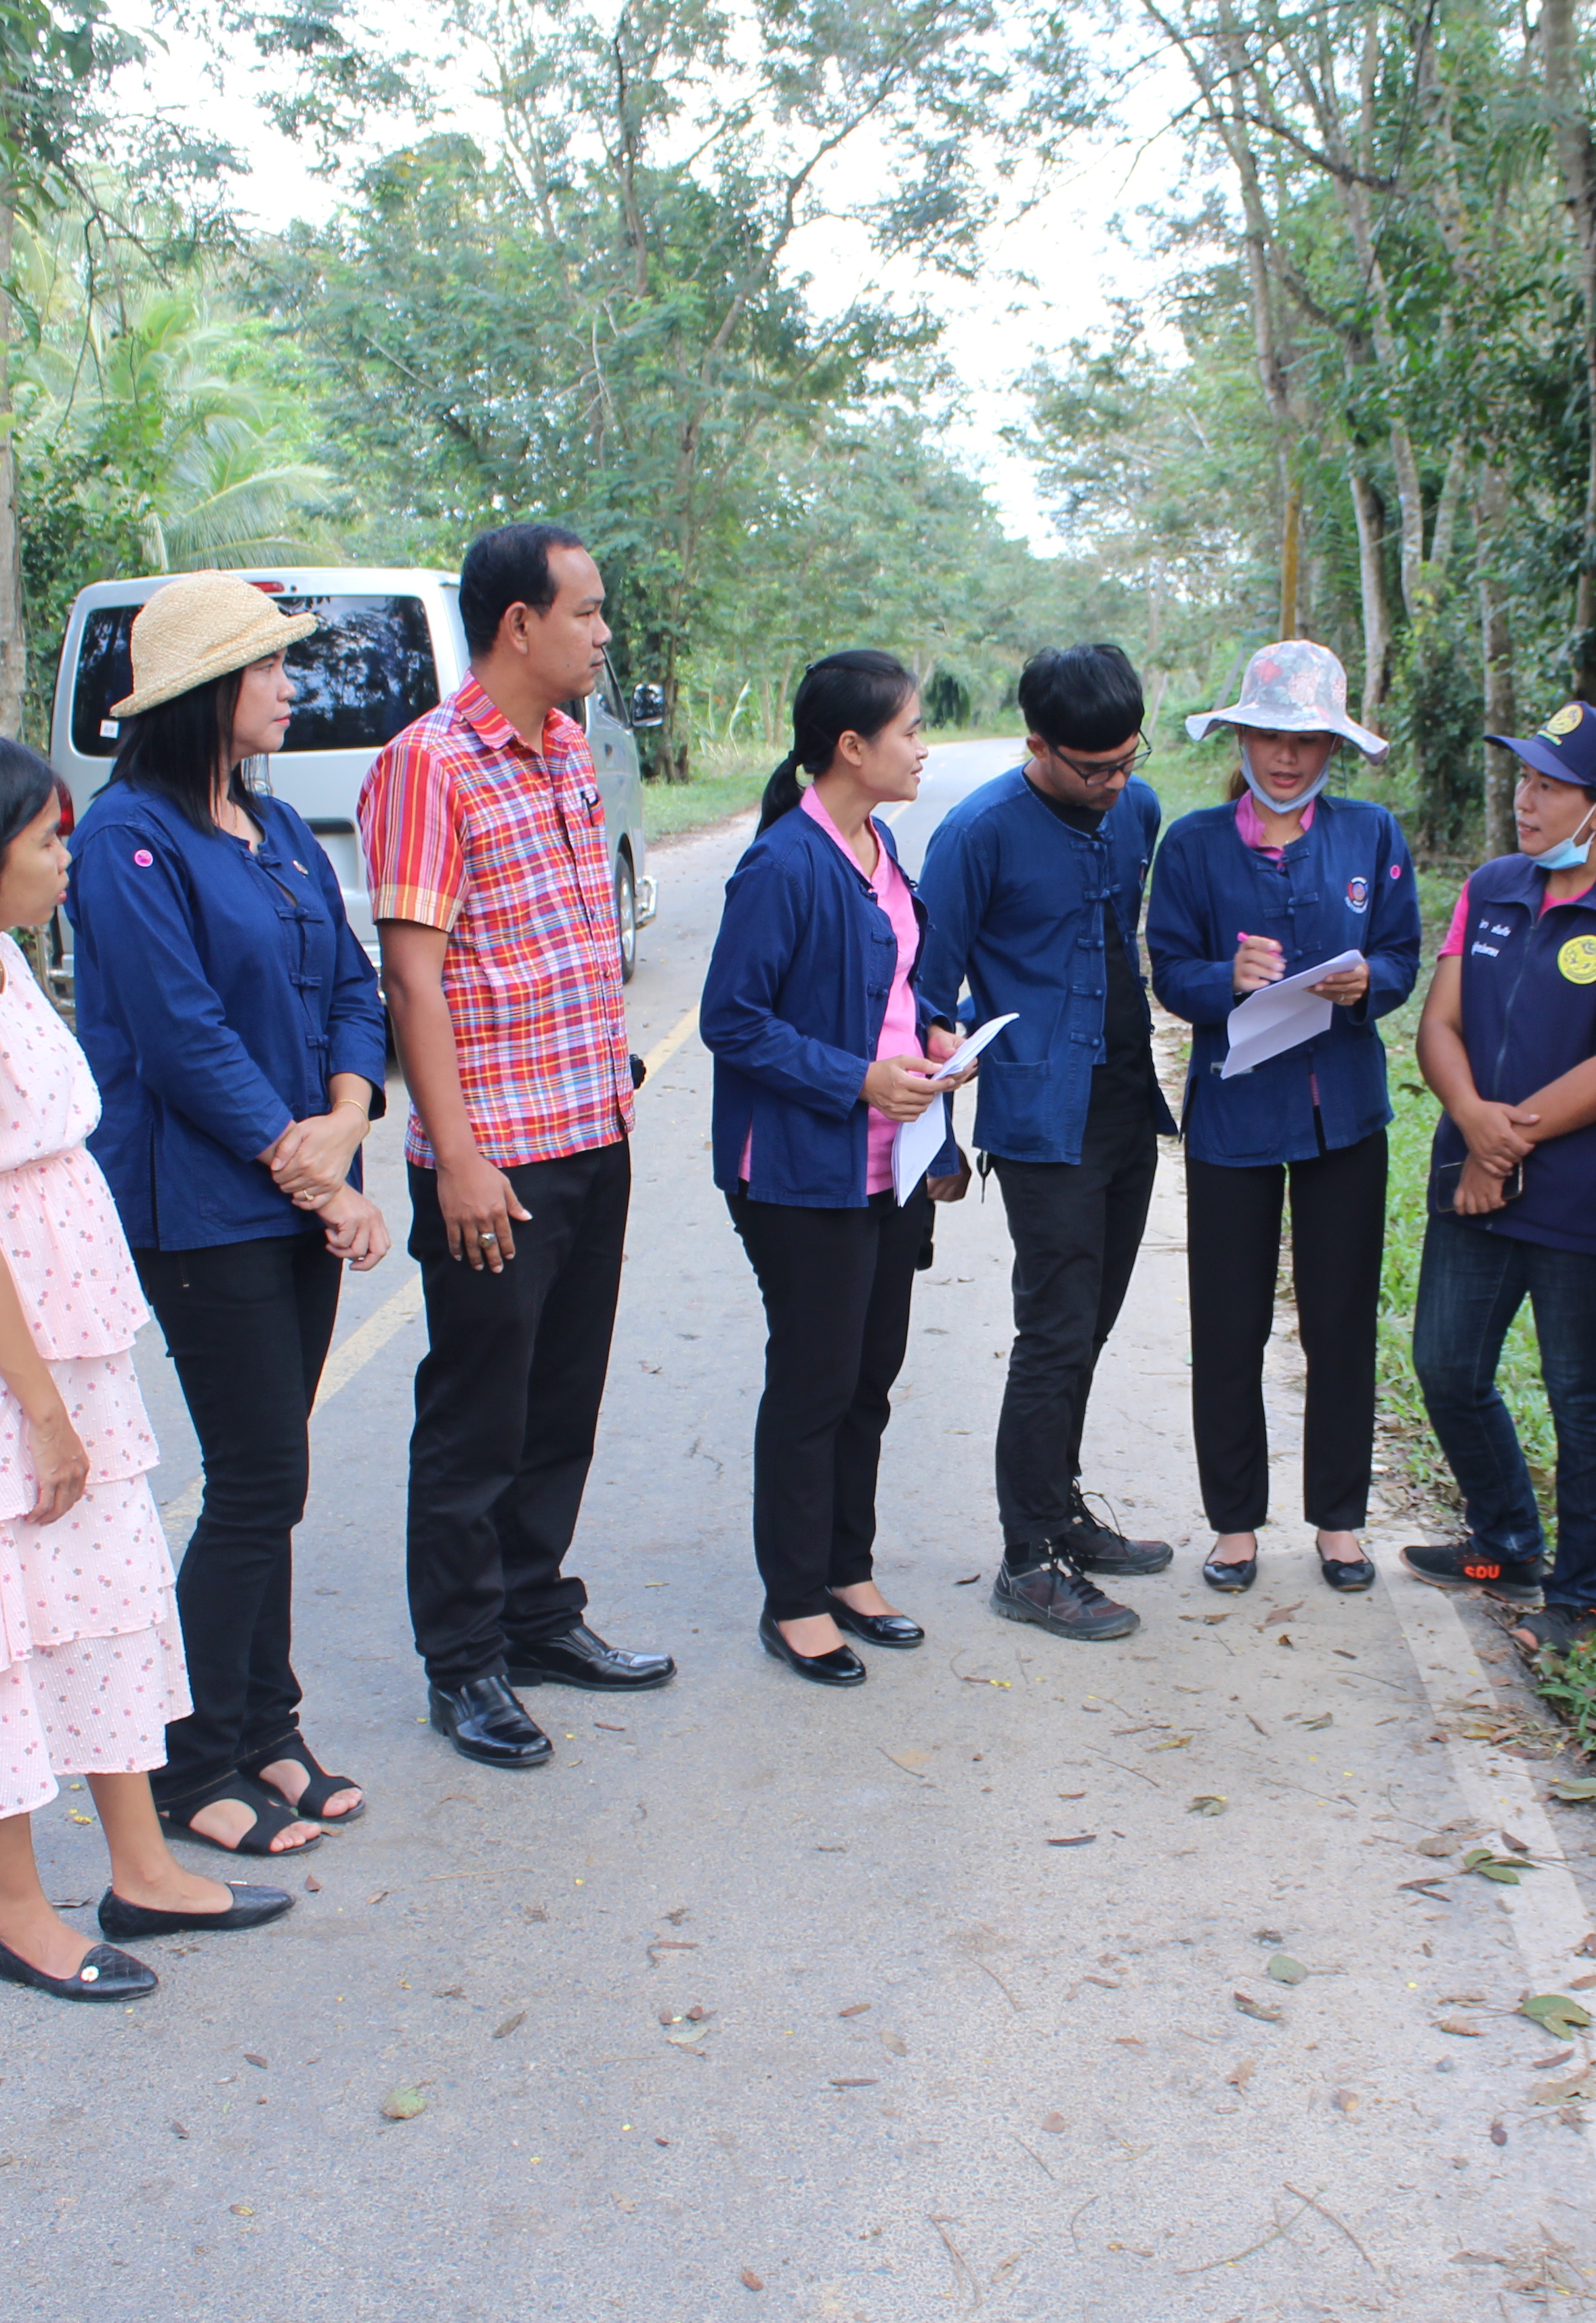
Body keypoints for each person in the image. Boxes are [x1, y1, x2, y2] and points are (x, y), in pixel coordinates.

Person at [0, 730, 289, 2004]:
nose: (67, 857)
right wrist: (40, 1408)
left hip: (64, 1350)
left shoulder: (5, 970)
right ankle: (20, 1913)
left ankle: (139, 1866)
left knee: (98, 1601)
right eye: (47, 839)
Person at [68, 574, 394, 1858]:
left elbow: (353, 992)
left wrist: (352, 1118)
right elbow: (179, 1034)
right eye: (267, 670)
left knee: (277, 1473)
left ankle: (269, 1725)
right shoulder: (126, 840)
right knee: (258, 1478)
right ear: (210, 692)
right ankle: (190, 1760)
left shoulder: (282, 831)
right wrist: (305, 1161)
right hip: (201, 1205)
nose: (288, 688)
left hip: (301, 1187)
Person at [360, 523, 674, 1773]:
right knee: (478, 1416)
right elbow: (414, 979)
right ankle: (466, 1661)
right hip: (496, 1157)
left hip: (590, 1128)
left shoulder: (565, 754)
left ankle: (539, 1613)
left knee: (564, 1398)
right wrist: (460, 1156)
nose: (604, 634)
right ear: (519, 626)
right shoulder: (427, 767)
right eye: (588, 613)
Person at [1408, 702, 1596, 1656]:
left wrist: (1507, 1144)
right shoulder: (1493, 888)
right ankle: (1506, 1540)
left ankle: (1581, 1597)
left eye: (1548, 786)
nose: (1525, 800)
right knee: (1447, 1368)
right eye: (1524, 780)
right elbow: (1439, 1024)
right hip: (1472, 1176)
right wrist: (1475, 1129)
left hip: (1584, 1194)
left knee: (1583, 1397)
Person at [700, 652, 975, 1686]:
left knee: (870, 1377)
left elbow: (903, 979)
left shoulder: (879, 842)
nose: (922, 748)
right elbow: (731, 1019)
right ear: (852, 748)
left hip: (888, 1165)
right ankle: (793, 1600)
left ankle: (848, 1568)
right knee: (814, 1383)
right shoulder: (784, 863)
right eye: (909, 730)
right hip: (803, 1171)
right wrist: (857, 1080)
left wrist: (938, 1035)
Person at [914, 644, 1179, 1641]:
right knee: (1054, 1333)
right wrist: (938, 1138)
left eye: (1126, 761)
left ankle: (1063, 1512)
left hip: (1124, 1106)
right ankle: (1028, 1560)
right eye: (1091, 769)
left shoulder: (1138, 811)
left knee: (1094, 1325)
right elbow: (926, 998)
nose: (1115, 785)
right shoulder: (976, 834)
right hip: (1040, 1121)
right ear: (1036, 744)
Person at [1148, 642, 1422, 1595]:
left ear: (1331, 746)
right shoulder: (1190, 845)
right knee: (1228, 1323)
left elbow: (1401, 957)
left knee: (1340, 1322)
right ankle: (1232, 1524)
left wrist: (1366, 982)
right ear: (1242, 736)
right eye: (1270, 736)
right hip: (1235, 1114)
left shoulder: (1372, 835)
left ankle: (1340, 1522)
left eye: (1306, 739)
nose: (1287, 757)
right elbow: (1168, 971)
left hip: (1342, 1113)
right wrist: (1223, 980)